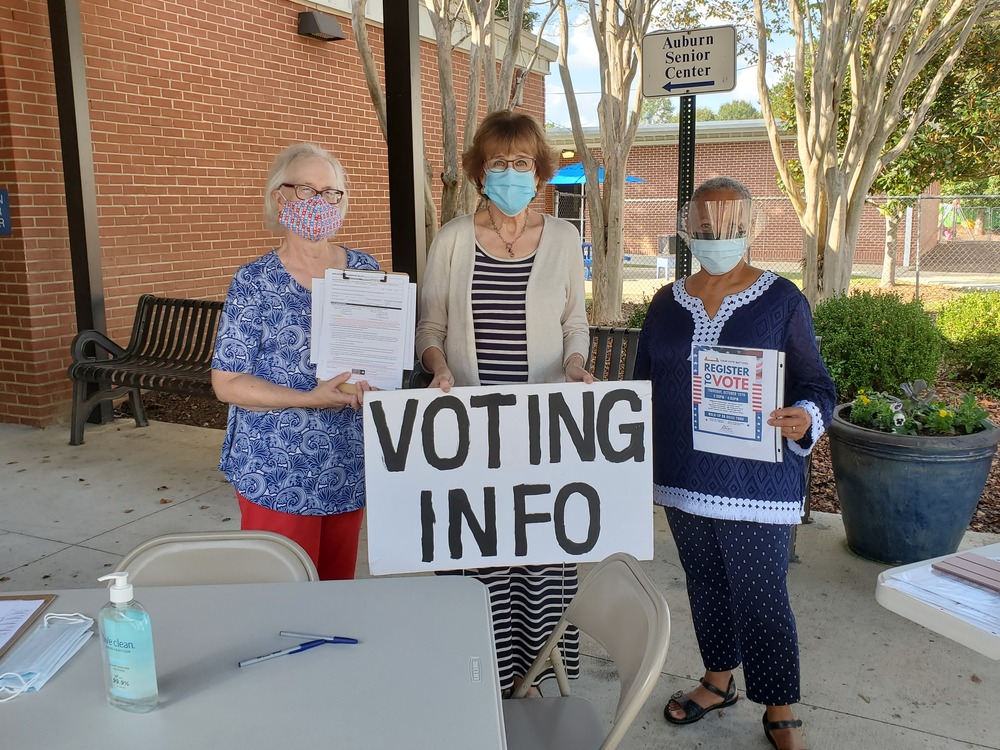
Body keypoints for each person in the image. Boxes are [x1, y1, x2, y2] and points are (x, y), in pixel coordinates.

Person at [634, 176, 835, 750]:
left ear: (752, 228)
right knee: (706, 583)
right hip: (682, 477)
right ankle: (718, 680)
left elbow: (817, 384)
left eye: (729, 225)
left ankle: (779, 703)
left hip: (756, 480)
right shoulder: (668, 303)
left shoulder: (782, 300)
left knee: (762, 592)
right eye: (704, 225)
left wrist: (805, 414)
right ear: (688, 229)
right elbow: (643, 386)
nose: (716, 235)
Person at [414, 110, 594, 696]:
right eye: (499, 163)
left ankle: (541, 677)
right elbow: (430, 327)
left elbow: (575, 321)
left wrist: (574, 363)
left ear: (539, 172)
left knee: (542, 551)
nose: (511, 173)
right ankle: (476, 675)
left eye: (522, 163)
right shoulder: (452, 239)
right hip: (471, 431)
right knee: (478, 549)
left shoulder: (564, 239)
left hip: (544, 429)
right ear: (479, 173)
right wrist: (438, 367)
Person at [211, 143, 378, 580]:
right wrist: (308, 398)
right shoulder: (254, 282)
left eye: (331, 192)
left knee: (336, 587)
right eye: (306, 191)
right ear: (279, 197)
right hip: (276, 465)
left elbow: (377, 356)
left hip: (346, 461)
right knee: (281, 596)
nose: (320, 202)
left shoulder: (364, 270)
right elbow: (227, 383)